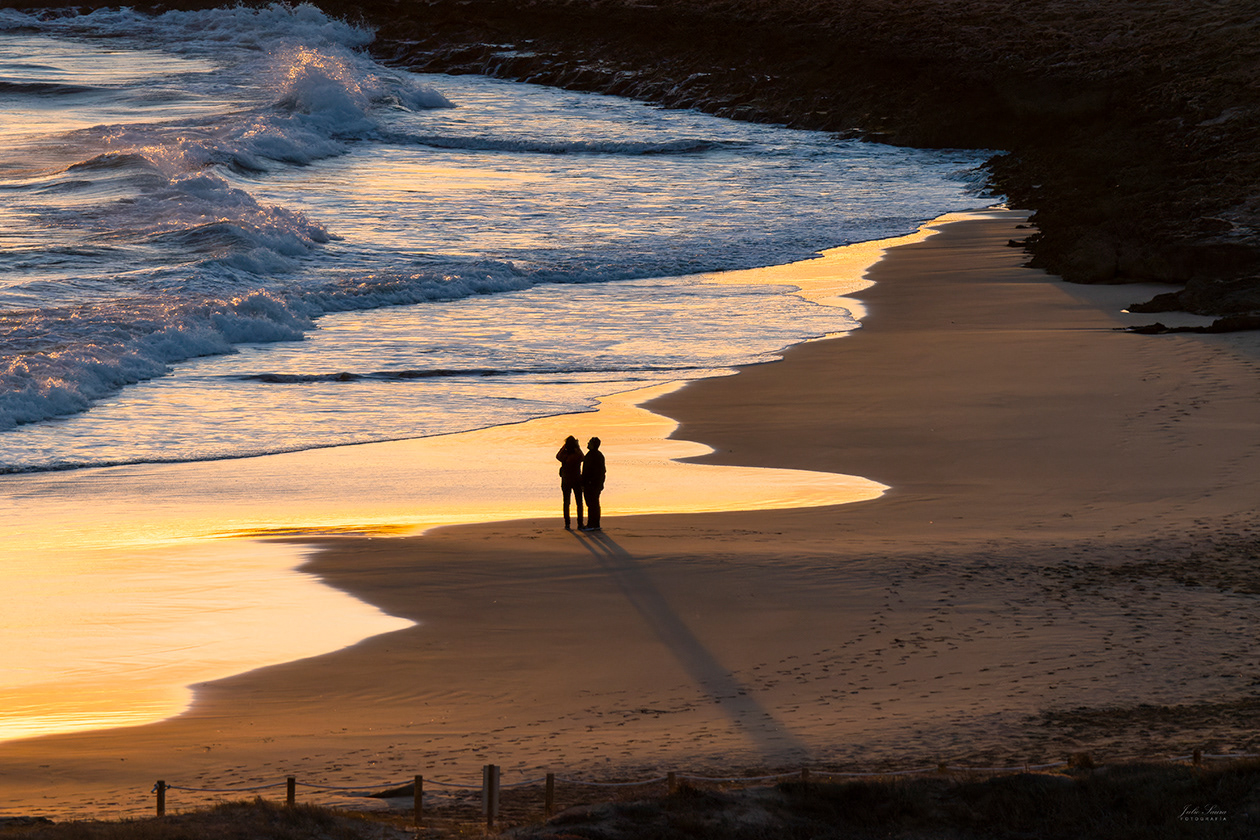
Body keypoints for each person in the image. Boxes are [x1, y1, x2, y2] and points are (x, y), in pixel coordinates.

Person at [555, 435, 584, 530]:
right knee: (579, 503)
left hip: (566, 480)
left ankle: (567, 523)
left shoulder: (565, 455)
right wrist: (578, 447)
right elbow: (582, 457)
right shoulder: (577, 455)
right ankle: (580, 523)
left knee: (566, 503)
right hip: (576, 480)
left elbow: (558, 456)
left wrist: (564, 447)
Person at [581, 436, 605, 531]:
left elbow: (587, 471)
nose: (588, 443)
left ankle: (591, 524)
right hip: (596, 483)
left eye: (589, 442)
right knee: (595, 504)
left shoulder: (592, 455)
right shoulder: (598, 455)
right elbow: (603, 471)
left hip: (591, 484)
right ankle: (596, 524)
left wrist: (586, 482)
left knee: (591, 504)